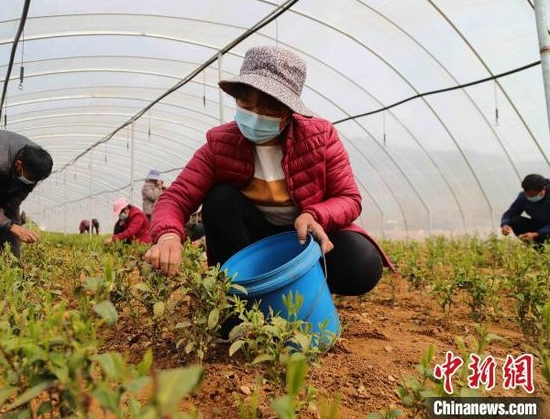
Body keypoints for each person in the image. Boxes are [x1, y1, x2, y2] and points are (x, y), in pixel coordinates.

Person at [145, 46, 394, 296]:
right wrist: (168, 236)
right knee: (219, 198)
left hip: (305, 238)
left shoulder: (320, 137)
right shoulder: (221, 144)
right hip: (254, 242)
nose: (255, 116)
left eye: (268, 108)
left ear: (289, 110)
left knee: (361, 264)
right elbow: (175, 198)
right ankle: (234, 298)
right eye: (246, 103)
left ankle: (302, 287)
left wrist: (314, 215)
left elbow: (349, 198)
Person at [501, 173, 550, 247]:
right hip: (539, 225)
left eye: (534, 195)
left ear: (544, 189)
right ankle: (538, 250)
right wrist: (505, 225)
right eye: (528, 195)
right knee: (515, 221)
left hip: (547, 228)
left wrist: (537, 234)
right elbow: (510, 214)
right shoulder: (523, 197)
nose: (530, 198)